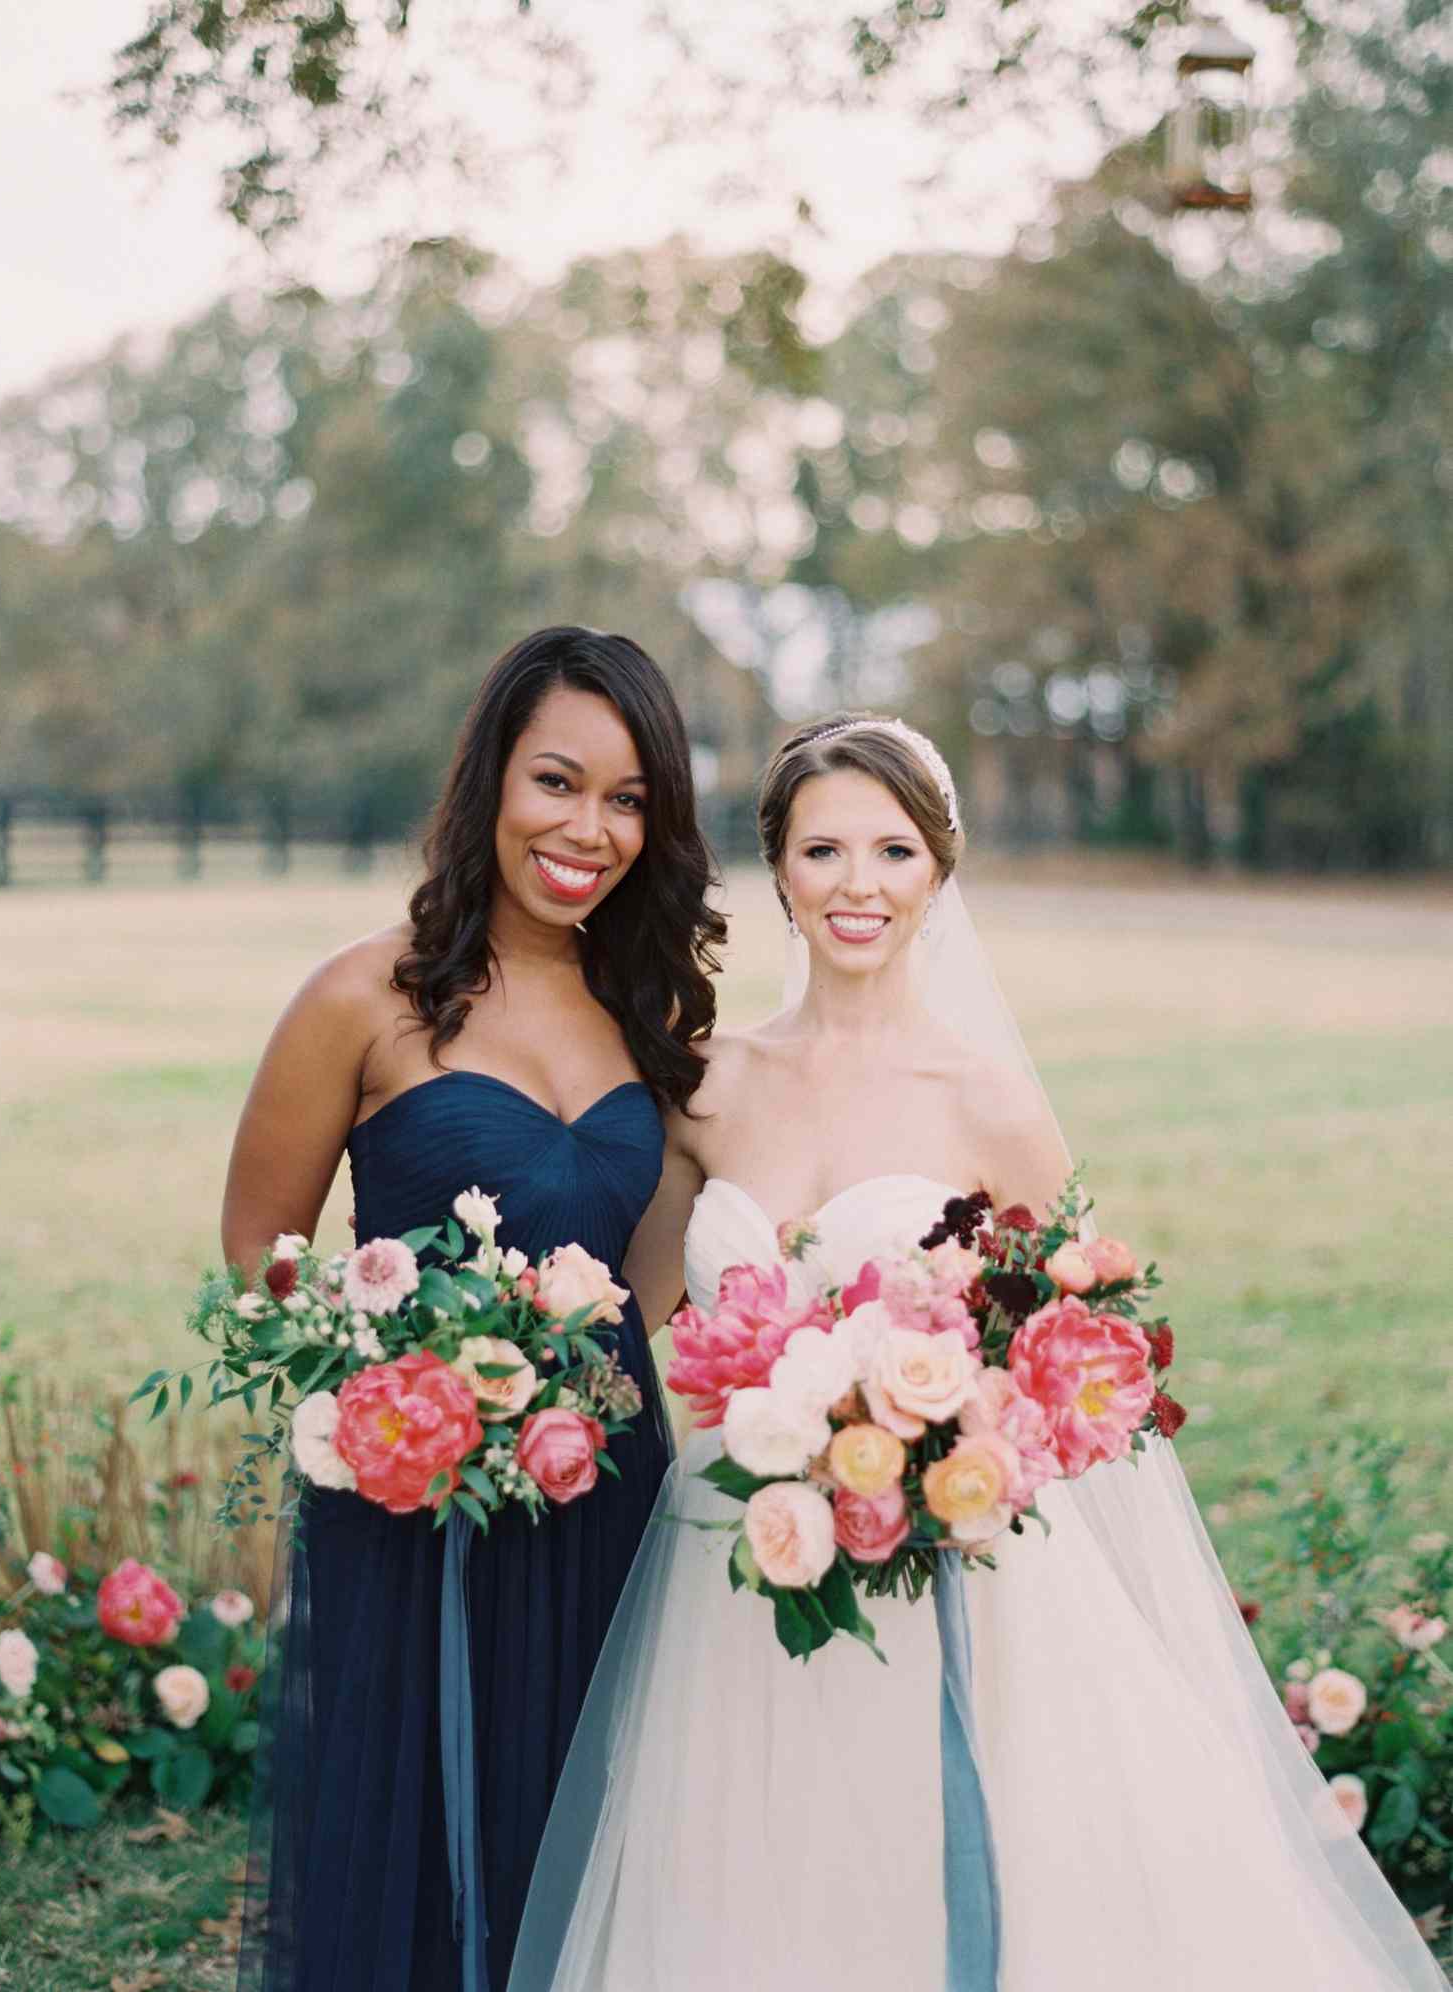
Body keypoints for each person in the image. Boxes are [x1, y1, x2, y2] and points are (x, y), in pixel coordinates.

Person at [506, 714, 1448, 1992]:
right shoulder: (708, 1085)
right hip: (738, 1565)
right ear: (777, 866)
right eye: (824, 848)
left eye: (894, 851)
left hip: (943, 1563)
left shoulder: (985, 1101)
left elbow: (1084, 1363)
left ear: (938, 875)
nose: (859, 885)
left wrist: (952, 1439)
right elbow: (641, 1301)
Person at [224, 627, 725, 1992]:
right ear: (490, 781)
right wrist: (400, 1380)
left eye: (630, 801)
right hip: (416, 1506)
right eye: (558, 782)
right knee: (418, 1847)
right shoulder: (363, 999)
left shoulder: (653, 1018)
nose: (590, 829)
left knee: (590, 1829)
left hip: (611, 1486)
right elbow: (261, 1247)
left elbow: (661, 1282)